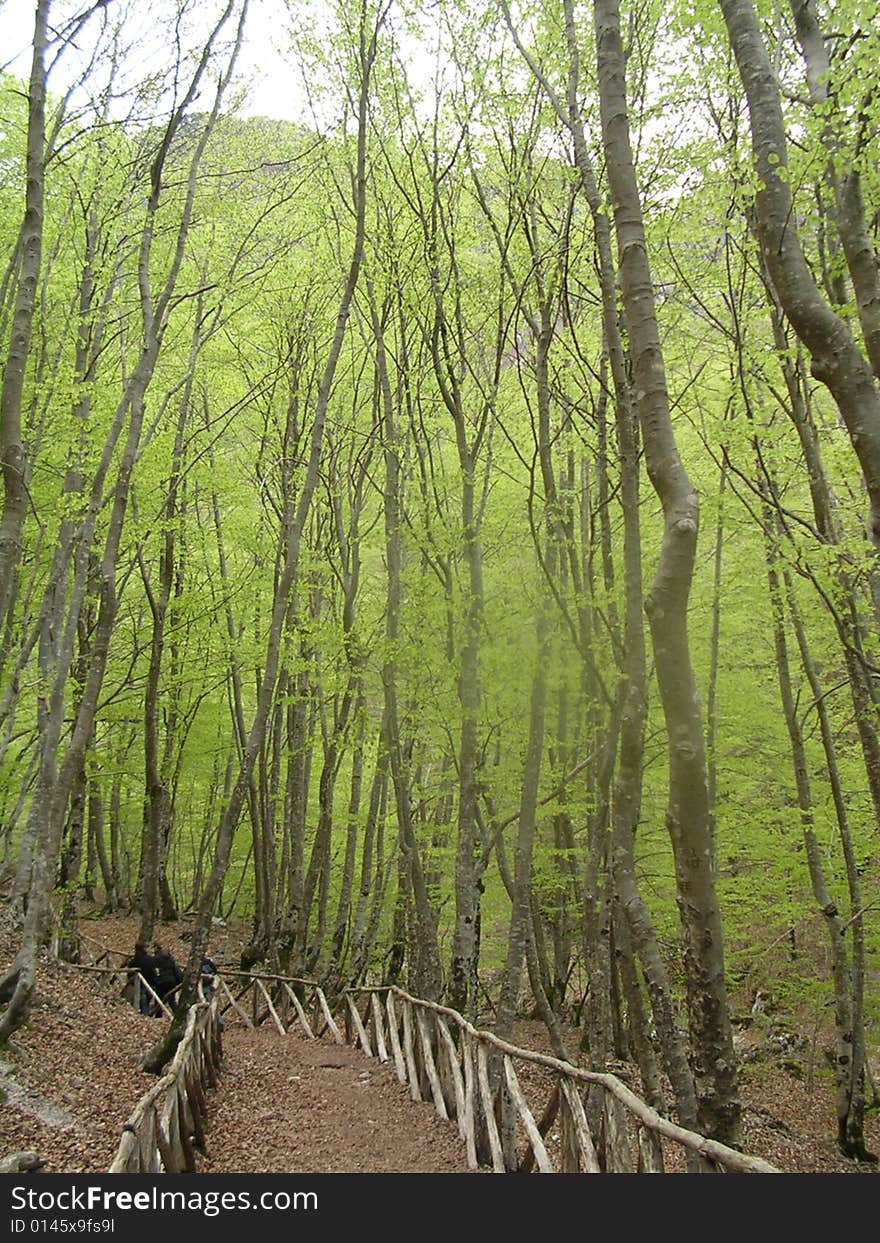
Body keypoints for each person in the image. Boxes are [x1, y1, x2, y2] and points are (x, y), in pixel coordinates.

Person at [123, 942, 160, 1016]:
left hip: (140, 983)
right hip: (149, 983)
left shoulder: (134, 960)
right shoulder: (150, 959)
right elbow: (154, 971)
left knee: (142, 999)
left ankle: (144, 1014)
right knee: (145, 999)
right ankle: (145, 1015)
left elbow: (130, 973)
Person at [152, 942, 183, 1007]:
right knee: (171, 999)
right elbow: (176, 970)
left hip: (161, 982)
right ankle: (175, 1013)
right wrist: (178, 980)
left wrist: (156, 980)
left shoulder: (156, 959)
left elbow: (155, 971)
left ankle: (158, 1014)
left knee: (158, 999)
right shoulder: (171, 959)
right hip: (171, 981)